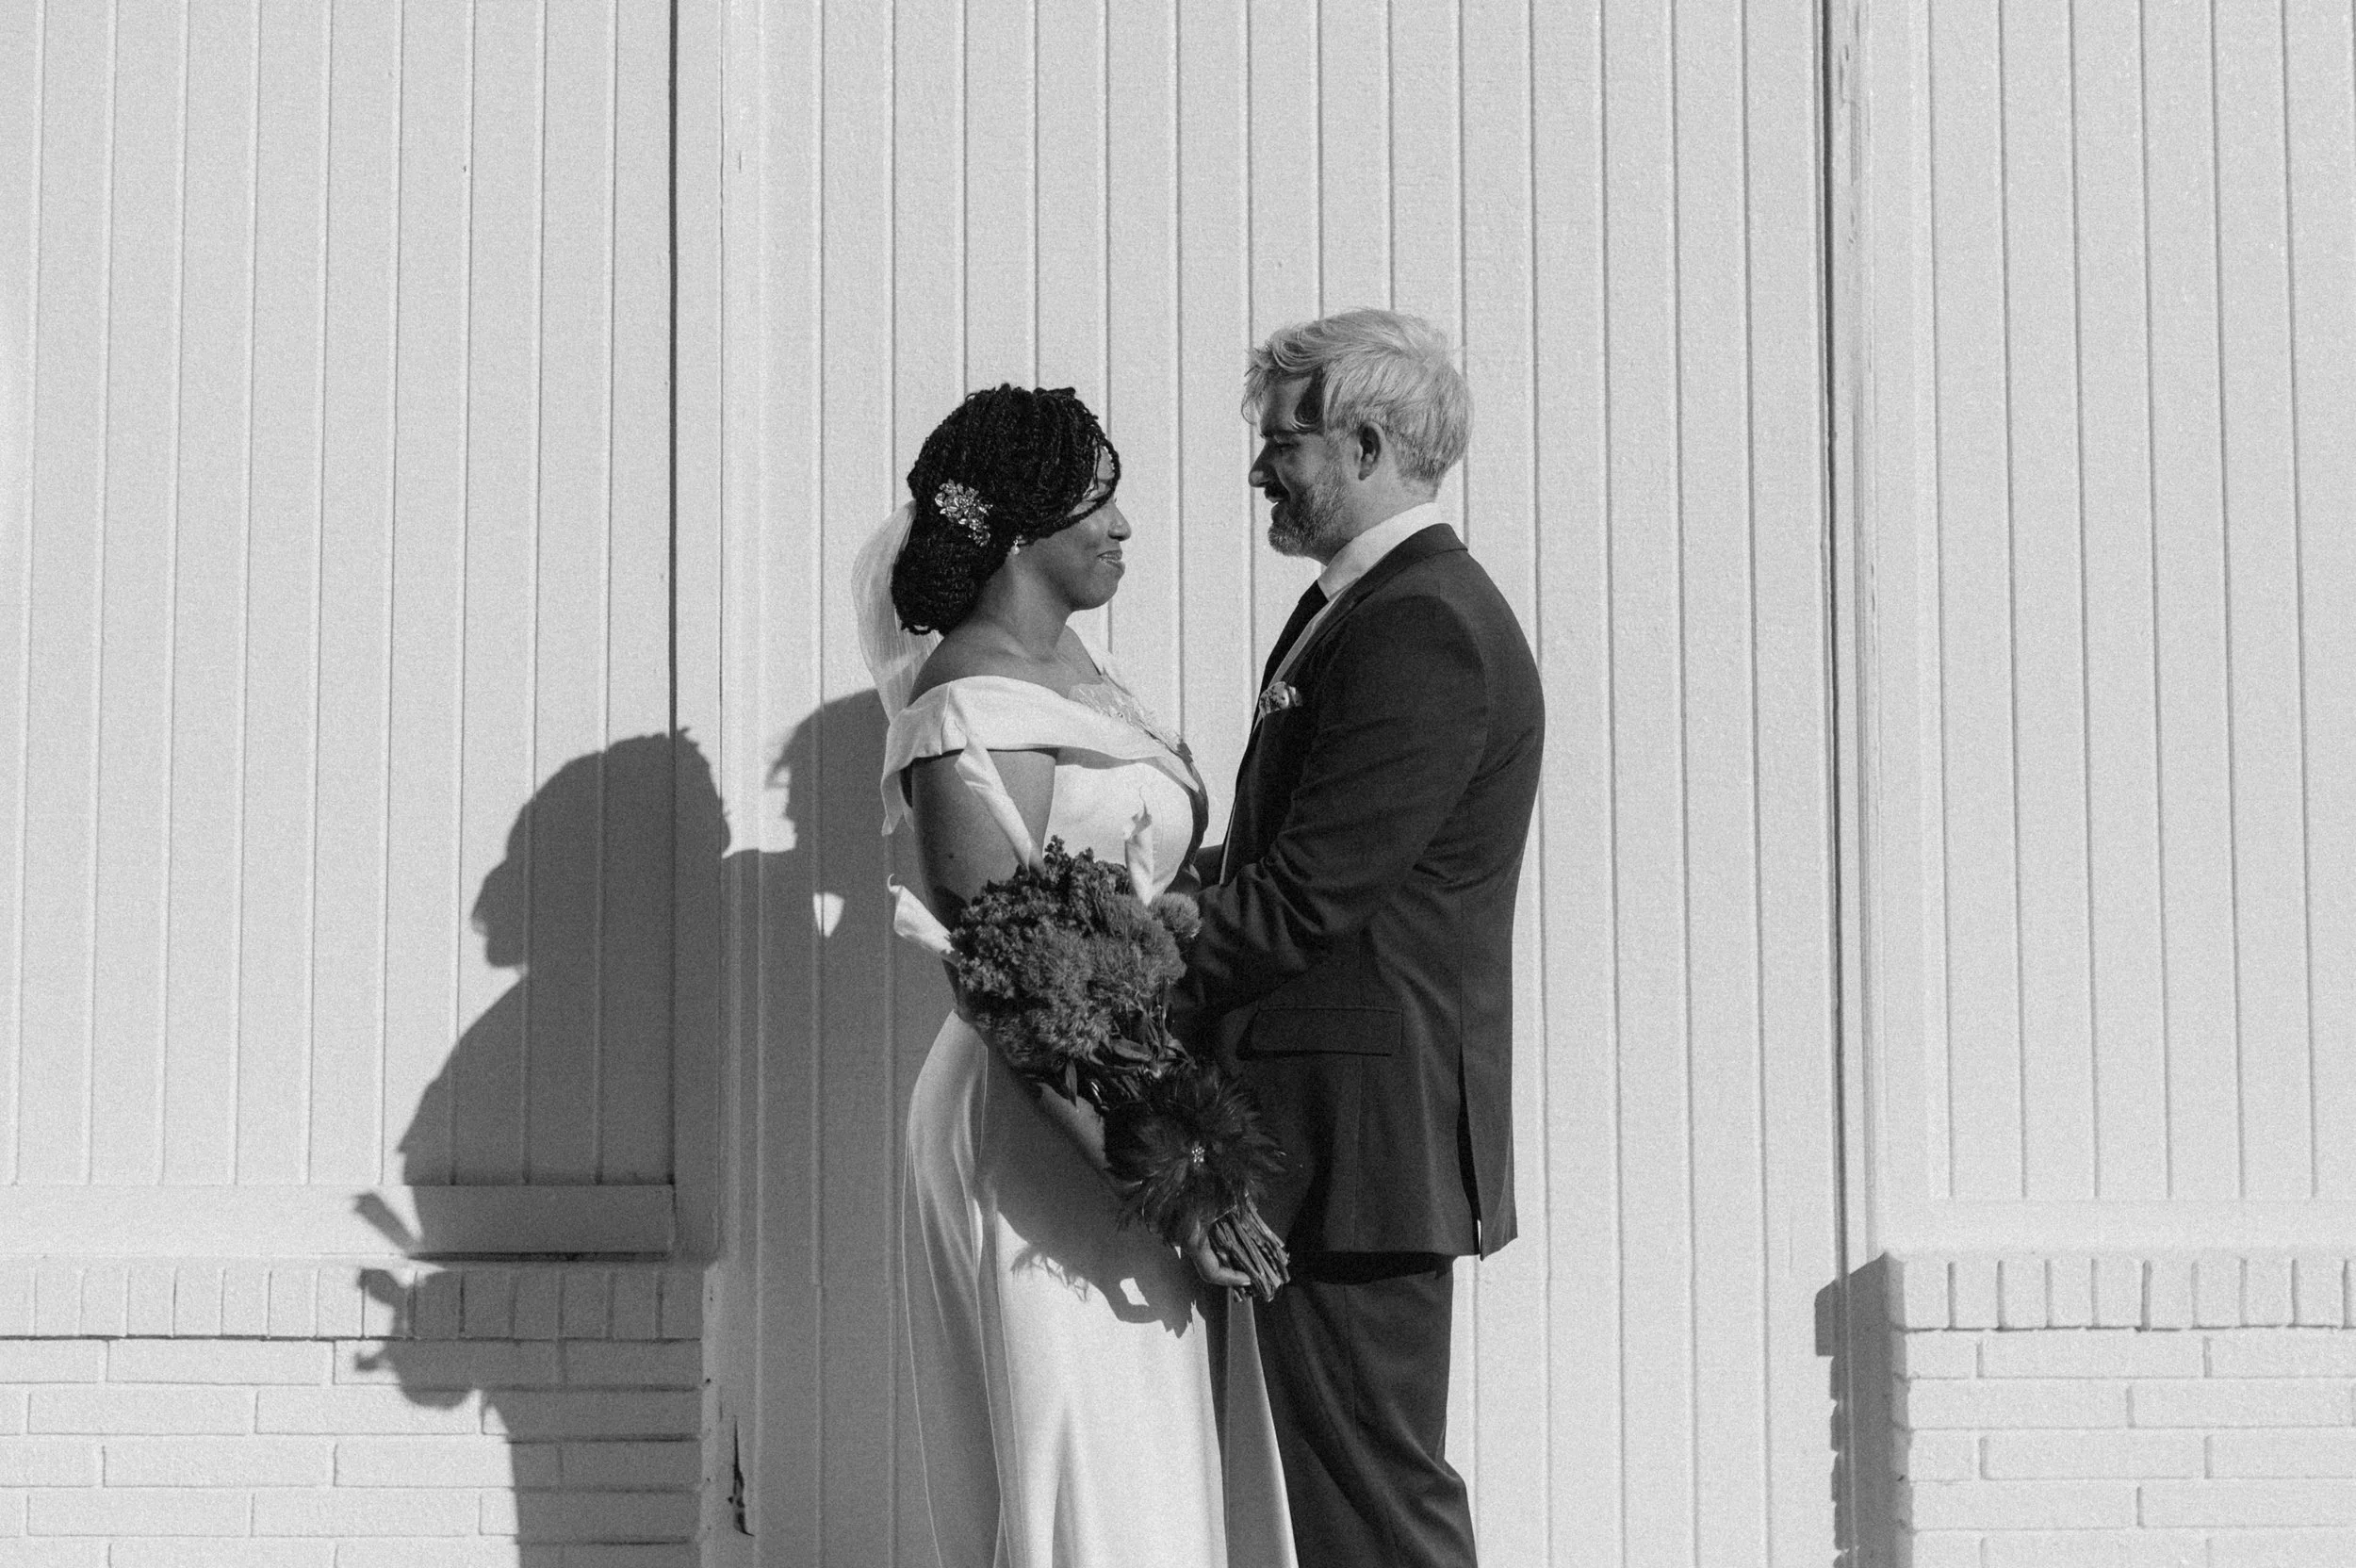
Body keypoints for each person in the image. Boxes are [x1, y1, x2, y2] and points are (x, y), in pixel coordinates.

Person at [857, 384, 1294, 1568]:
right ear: (1013, 531)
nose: (1122, 528)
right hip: (1041, 1115)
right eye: (1095, 505)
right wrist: (1167, 1170)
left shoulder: (1081, 671)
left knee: (1157, 1453)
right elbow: (1010, 976)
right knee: (1089, 1454)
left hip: (1147, 1091)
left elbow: (1134, 880)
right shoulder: (969, 707)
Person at [1170, 311, 1545, 1568]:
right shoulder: (1360, 607)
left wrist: (1126, 980)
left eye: (1283, 442)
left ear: (1368, 442)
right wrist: (1182, 886)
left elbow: (1316, 898)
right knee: (1350, 1506)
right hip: (1330, 1131)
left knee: (1378, 1509)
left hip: (1357, 1139)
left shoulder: (1419, 625)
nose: (1262, 470)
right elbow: (1305, 855)